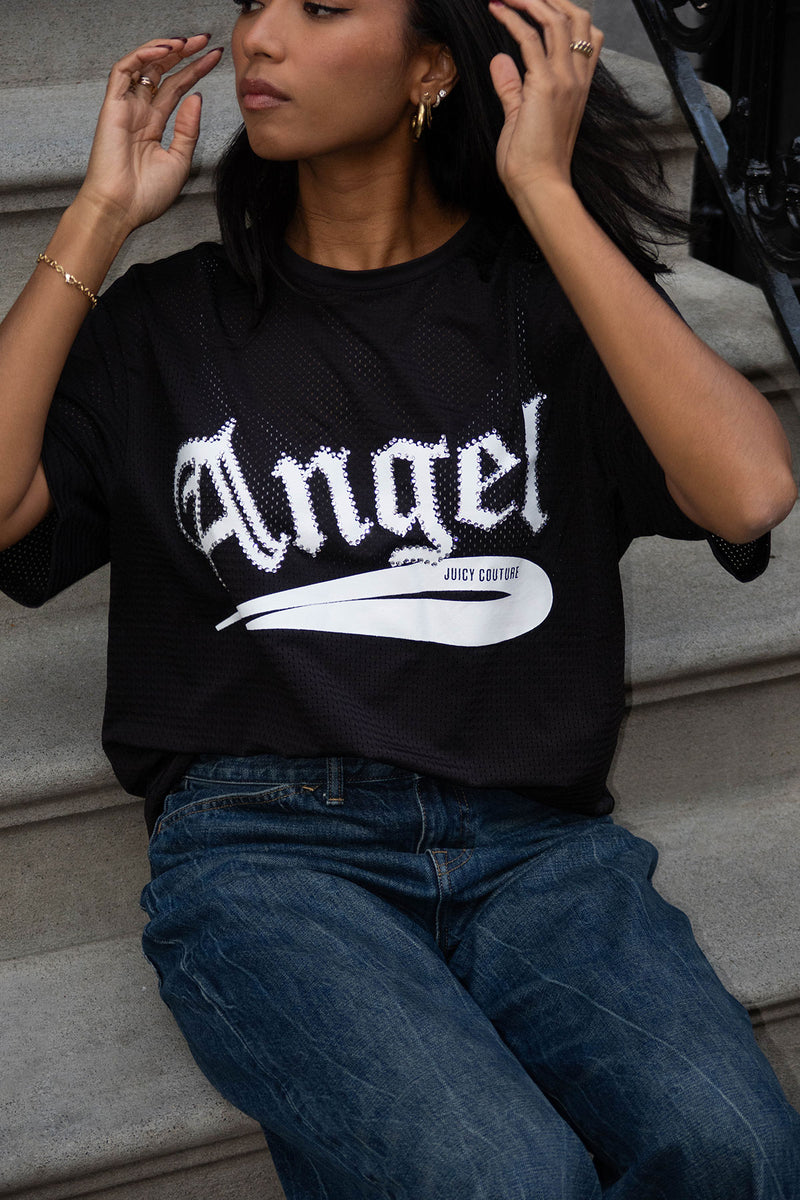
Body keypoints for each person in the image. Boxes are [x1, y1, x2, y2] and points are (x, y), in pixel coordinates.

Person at [1, 0, 798, 1195]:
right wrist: (97, 217)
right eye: (255, 4)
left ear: (432, 64)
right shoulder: (171, 323)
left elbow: (746, 491)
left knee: (735, 1151)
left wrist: (542, 190)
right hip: (264, 846)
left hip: (537, 848)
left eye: (319, 8)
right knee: (501, 1179)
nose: (261, 37)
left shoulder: (548, 306)